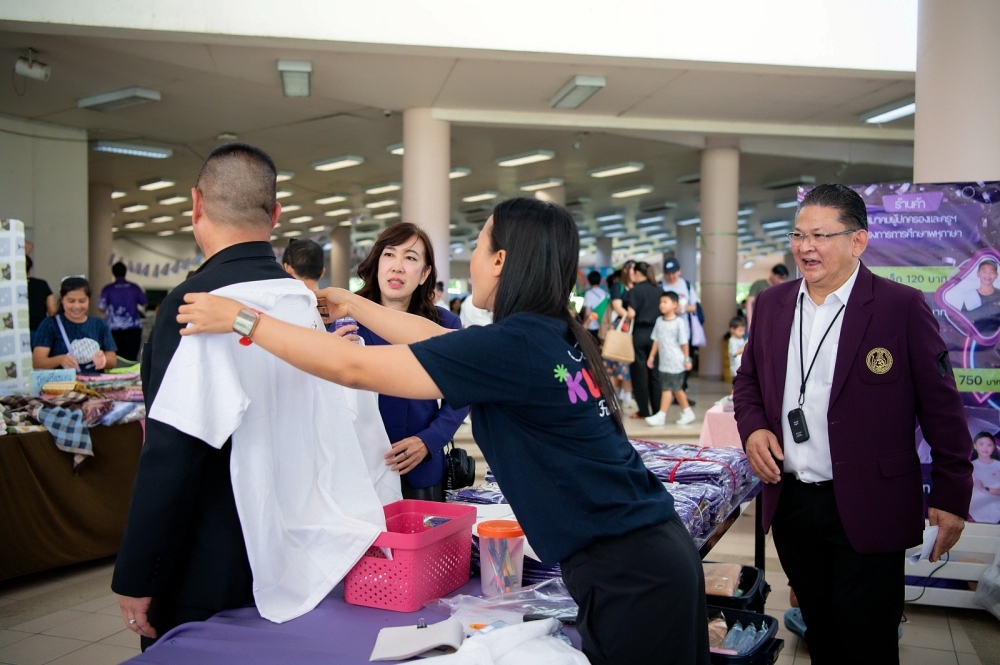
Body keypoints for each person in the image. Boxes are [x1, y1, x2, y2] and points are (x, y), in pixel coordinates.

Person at [177, 196, 710, 665]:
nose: (471, 259)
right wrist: (352, 303)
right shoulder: (549, 334)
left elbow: (354, 367)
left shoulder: (516, 345)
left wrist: (244, 320)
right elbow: (434, 338)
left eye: (477, 245)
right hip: (649, 556)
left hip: (632, 577)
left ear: (500, 260)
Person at [733, 184, 973, 665]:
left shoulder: (900, 307)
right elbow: (749, 380)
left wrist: (951, 495)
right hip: (794, 502)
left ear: (858, 241)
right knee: (821, 634)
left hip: (870, 503)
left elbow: (942, 407)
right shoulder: (773, 305)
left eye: (820, 235)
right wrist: (755, 428)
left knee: (868, 642)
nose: (805, 247)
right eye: (798, 235)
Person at [112, 143, 292, 648]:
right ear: (276, 215)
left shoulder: (193, 306)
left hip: (207, 563)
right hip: (291, 552)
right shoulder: (303, 304)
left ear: (196, 204)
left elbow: (171, 452)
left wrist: (138, 572)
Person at [352, 222, 468, 501]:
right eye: (389, 255)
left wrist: (428, 440)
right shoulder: (347, 320)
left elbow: (463, 392)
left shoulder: (444, 324)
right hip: (357, 467)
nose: (397, 267)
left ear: (424, 274)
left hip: (419, 467)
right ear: (377, 263)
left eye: (410, 258)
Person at [32, 277, 117, 371]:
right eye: (71, 301)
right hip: (62, 380)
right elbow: (37, 362)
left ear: (89, 300)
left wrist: (103, 359)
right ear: (62, 300)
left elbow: (112, 361)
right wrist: (60, 360)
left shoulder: (100, 324)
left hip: (93, 379)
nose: (77, 306)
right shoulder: (49, 324)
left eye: (82, 301)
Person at [645, 291, 694, 426]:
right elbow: (656, 340)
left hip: (676, 361)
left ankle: (661, 416)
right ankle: (688, 412)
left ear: (674, 304)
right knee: (676, 389)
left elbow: (684, 343)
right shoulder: (659, 321)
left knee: (667, 388)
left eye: (665, 302)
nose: (662, 305)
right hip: (664, 362)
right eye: (661, 302)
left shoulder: (679, 322)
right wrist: (651, 356)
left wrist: (687, 359)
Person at [626, 261, 664, 419]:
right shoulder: (659, 290)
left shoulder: (634, 291)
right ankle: (657, 410)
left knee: (639, 374)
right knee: (655, 374)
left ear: (637, 273)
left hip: (639, 334)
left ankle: (643, 410)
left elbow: (631, 314)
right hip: (656, 335)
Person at [662, 258, 700, 394]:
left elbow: (694, 306)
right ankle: (670, 391)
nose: (671, 276)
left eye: (673, 273)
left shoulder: (686, 285)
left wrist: (683, 308)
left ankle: (681, 389)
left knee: (684, 360)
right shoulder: (661, 286)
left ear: (679, 271)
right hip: (666, 332)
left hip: (684, 330)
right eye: (668, 273)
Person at [98, 262, 148, 361]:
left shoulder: (108, 289)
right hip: (133, 328)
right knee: (131, 358)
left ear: (113, 273)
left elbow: (101, 307)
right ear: (126, 272)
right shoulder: (134, 287)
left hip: (114, 329)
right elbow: (144, 303)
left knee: (115, 358)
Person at [605, 265, 634, 405]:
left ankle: (625, 395)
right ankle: (615, 395)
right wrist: (630, 316)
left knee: (625, 363)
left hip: (631, 329)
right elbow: (617, 307)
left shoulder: (637, 287)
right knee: (615, 362)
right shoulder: (618, 287)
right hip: (620, 327)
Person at [960, 259, 1000, 337]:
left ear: (996, 275)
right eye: (984, 272)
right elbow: (964, 320)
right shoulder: (971, 296)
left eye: (991, 272)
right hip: (975, 338)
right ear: (978, 274)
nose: (988, 275)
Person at [745, 263, 789, 328]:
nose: (780, 281)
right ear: (772, 274)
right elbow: (749, 302)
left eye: (783, 279)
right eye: (779, 277)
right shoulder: (759, 284)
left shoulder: (781, 289)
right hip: (758, 322)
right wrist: (750, 322)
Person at [969, 431, 1000, 524]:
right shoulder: (969, 467)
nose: (985, 448)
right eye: (981, 444)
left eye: (989, 445)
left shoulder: (998, 466)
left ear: (994, 446)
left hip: (996, 514)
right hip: (971, 515)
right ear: (975, 446)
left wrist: (984, 489)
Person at [26, 255, 56, 346]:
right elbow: (52, 311)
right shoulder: (41, 284)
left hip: (16, 331)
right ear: (30, 269)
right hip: (39, 329)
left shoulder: (7, 288)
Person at [581, 270, 607, 343]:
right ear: (600, 281)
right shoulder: (604, 293)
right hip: (602, 325)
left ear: (589, 281)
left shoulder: (588, 293)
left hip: (591, 325)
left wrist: (584, 324)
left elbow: (587, 312)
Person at [728, 317, 747, 383]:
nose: (742, 333)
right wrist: (744, 348)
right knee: (737, 384)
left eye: (743, 331)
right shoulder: (732, 341)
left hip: (742, 367)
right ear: (732, 329)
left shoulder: (741, 339)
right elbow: (734, 353)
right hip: (735, 369)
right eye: (740, 330)